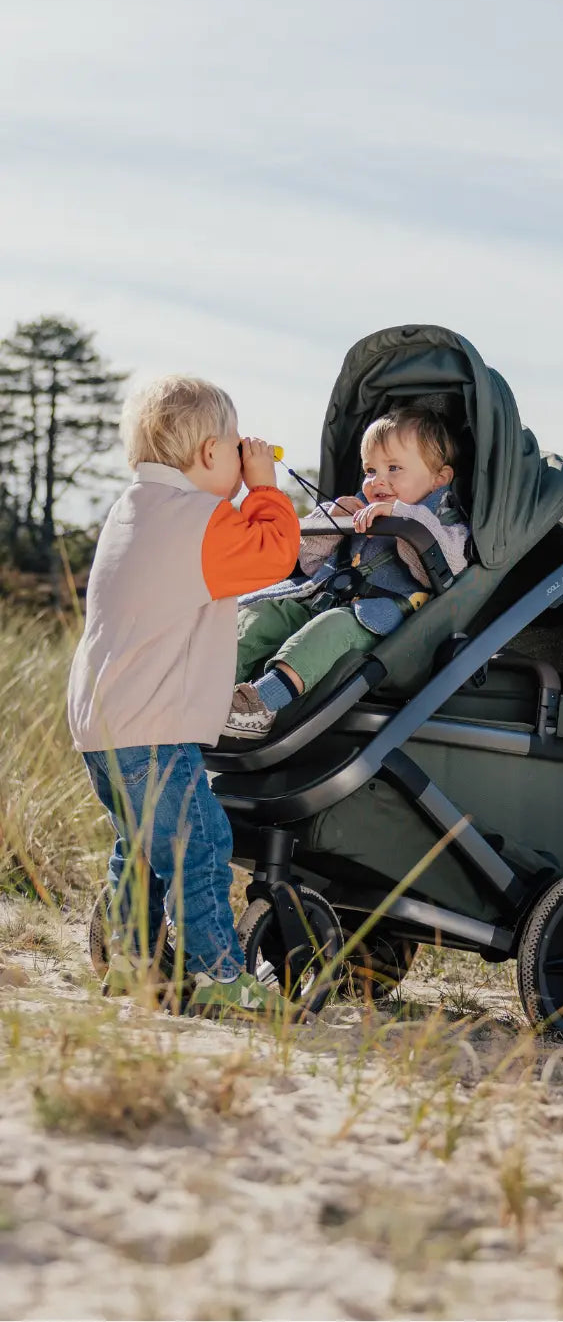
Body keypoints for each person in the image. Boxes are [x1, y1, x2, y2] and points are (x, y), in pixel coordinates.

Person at [67, 375, 300, 1014]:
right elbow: (278, 553)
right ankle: (223, 978)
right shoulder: (200, 520)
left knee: (141, 848)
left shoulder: (130, 508)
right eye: (233, 448)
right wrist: (265, 489)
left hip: (100, 725)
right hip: (154, 725)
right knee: (200, 849)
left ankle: (132, 958)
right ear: (208, 456)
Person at [225, 406, 470, 739]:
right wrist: (334, 517)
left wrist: (402, 516)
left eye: (394, 468)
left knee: (331, 627)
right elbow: (308, 560)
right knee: (262, 615)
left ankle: (260, 706)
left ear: (439, 479)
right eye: (370, 470)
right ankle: (211, 692)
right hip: (320, 599)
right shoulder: (358, 511)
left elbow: (451, 565)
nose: (377, 481)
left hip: (376, 623)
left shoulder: (446, 525)